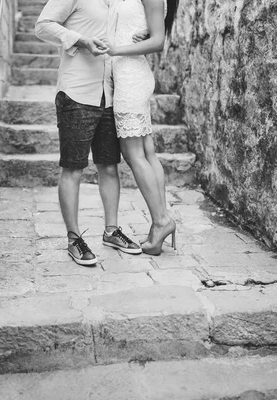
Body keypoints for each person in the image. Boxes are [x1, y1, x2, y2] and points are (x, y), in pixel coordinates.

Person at [35, 0, 142, 267]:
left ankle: (111, 231)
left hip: (109, 94)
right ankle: (74, 238)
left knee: (109, 166)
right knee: (73, 168)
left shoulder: (117, 3)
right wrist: (80, 40)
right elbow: (43, 26)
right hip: (76, 92)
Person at [102, 0, 180, 256]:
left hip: (131, 76)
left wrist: (116, 50)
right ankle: (162, 219)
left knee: (134, 154)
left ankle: (161, 221)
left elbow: (159, 41)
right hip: (126, 74)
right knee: (146, 153)